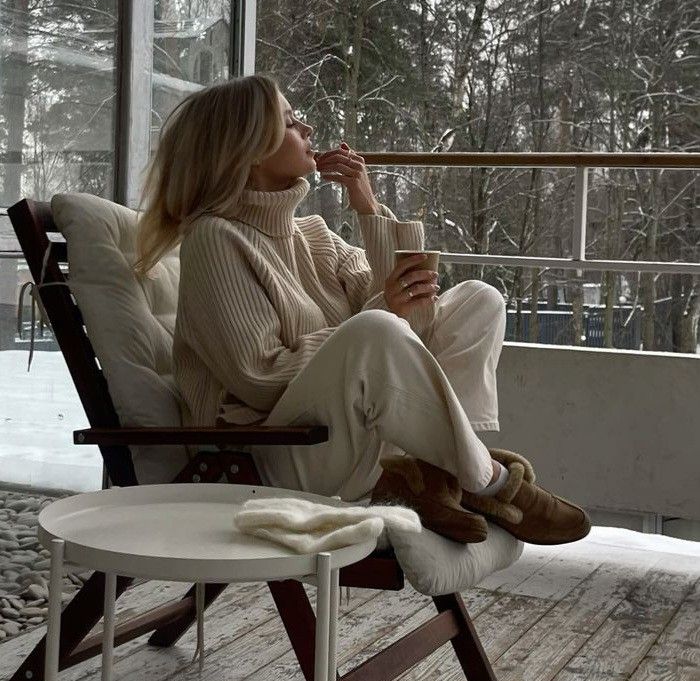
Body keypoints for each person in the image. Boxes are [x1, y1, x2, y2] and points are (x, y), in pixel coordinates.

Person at [135, 75, 590, 547]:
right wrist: (378, 313)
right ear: (248, 150)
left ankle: (442, 479)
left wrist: (367, 205)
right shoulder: (215, 238)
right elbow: (259, 376)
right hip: (263, 455)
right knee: (373, 326)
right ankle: (490, 482)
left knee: (479, 299)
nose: (308, 127)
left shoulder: (310, 233)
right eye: (291, 122)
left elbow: (412, 319)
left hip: (341, 436)